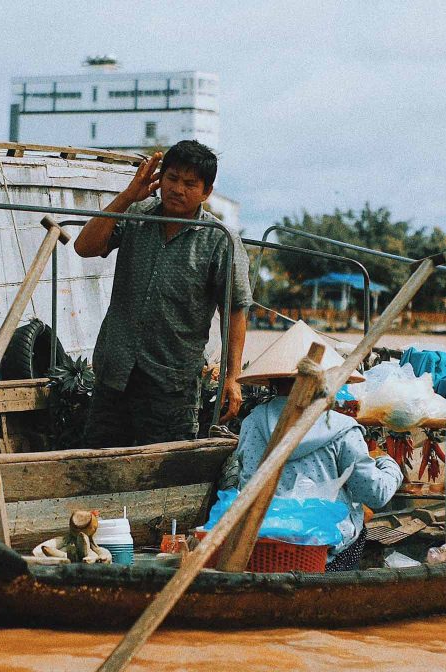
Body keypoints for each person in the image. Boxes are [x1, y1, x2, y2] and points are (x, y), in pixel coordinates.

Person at [74, 140, 252, 448]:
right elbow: (84, 247)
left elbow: (235, 309)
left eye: (190, 184)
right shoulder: (137, 216)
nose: (177, 189)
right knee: (97, 464)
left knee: (161, 474)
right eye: (171, 179)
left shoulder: (219, 240)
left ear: (206, 192)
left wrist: (233, 377)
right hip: (115, 373)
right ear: (160, 179)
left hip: (171, 384)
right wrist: (129, 195)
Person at [234, 321, 403, 571]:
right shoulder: (343, 428)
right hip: (326, 551)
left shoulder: (253, 422)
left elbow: (245, 483)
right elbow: (374, 494)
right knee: (357, 525)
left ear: (272, 382)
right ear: (323, 382)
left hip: (266, 545)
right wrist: (390, 465)